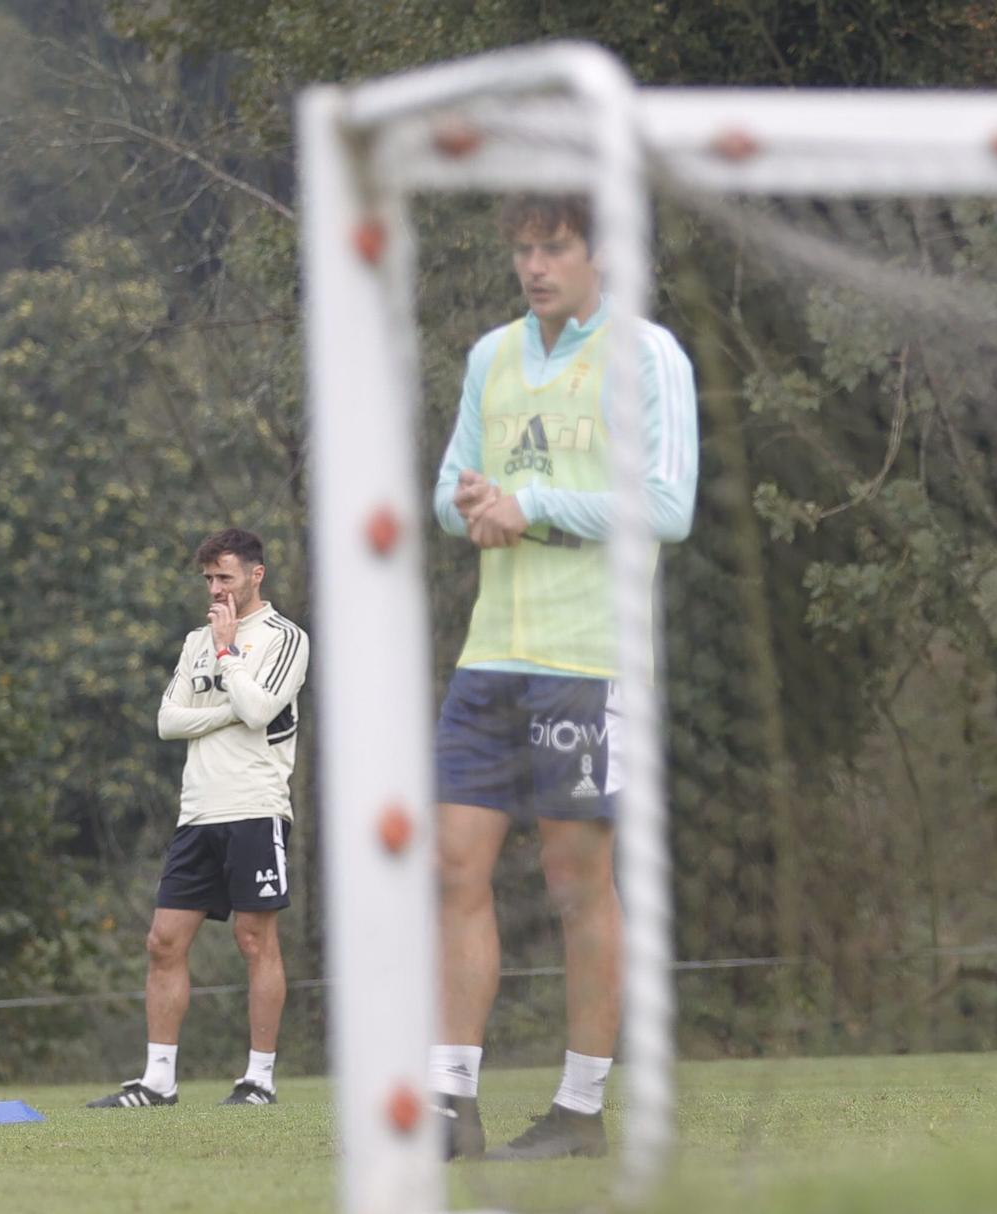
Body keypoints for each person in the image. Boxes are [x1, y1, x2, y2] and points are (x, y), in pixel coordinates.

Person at [428, 194, 698, 1161]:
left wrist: (529, 504)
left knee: (576, 880)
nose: (536, 266)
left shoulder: (649, 355)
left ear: (599, 255)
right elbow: (449, 489)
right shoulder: (491, 357)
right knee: (453, 864)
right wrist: (474, 507)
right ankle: (450, 1105)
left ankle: (581, 1110)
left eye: (555, 248)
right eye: (524, 250)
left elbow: (667, 507)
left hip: (591, 660)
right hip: (489, 653)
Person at [89, 528, 309, 1108]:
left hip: (255, 806)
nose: (215, 590)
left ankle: (258, 1079)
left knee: (254, 939)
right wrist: (225, 711)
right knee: (163, 941)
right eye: (209, 579)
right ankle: (158, 1081)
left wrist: (230, 652)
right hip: (198, 812)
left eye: (225, 578)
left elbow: (260, 709)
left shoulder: (286, 638)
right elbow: (167, 721)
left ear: (255, 576)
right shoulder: (195, 642)